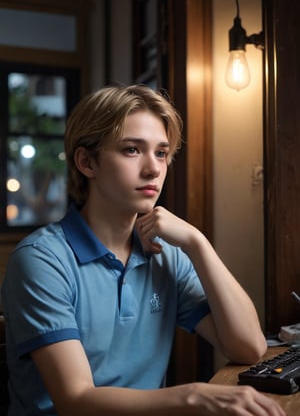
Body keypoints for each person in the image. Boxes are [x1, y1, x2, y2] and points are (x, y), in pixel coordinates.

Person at [1, 84, 285, 416]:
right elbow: (75, 399)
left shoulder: (166, 255)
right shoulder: (42, 260)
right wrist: (195, 395)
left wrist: (198, 244)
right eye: (132, 150)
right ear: (86, 162)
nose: (153, 169)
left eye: (161, 153)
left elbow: (249, 347)